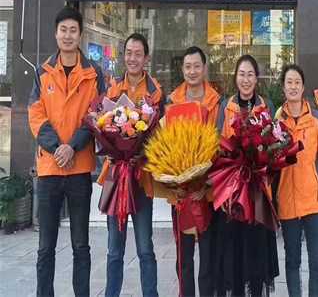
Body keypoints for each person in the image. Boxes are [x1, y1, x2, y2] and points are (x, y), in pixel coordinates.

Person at [28, 6, 105, 297]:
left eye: (73, 30)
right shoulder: (43, 72)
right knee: (45, 247)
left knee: (81, 245)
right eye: (64, 30)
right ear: (56, 33)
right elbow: (35, 115)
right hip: (49, 169)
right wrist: (58, 148)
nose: (68, 35)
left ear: (80, 34)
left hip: (79, 169)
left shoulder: (93, 73)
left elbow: (96, 115)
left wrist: (72, 147)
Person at [96, 33, 163, 297]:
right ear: (123, 56)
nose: (132, 58)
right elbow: (101, 125)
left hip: (141, 177)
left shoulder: (155, 92)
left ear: (146, 58)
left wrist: (143, 154)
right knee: (115, 249)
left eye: (138, 54)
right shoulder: (112, 89)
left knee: (145, 248)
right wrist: (109, 152)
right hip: (116, 178)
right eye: (128, 53)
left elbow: (159, 133)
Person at [214, 54, 279, 297]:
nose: (246, 80)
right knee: (236, 249)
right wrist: (222, 191)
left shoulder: (266, 105)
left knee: (256, 249)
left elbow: (274, 144)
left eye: (250, 74)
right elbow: (218, 148)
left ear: (256, 79)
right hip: (234, 191)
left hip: (259, 190)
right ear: (236, 78)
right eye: (241, 74)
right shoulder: (226, 106)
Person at [166, 46, 222, 297]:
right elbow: (165, 144)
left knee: (208, 258)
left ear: (204, 68)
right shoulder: (172, 102)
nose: (192, 71)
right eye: (187, 67)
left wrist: (206, 183)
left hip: (207, 193)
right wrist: (175, 183)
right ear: (182, 70)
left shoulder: (217, 103)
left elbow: (222, 146)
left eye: (196, 66)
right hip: (180, 194)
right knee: (184, 258)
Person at [276, 64, 318, 297]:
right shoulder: (276, 121)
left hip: (313, 200)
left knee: (317, 261)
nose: (293, 87)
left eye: (297, 82)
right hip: (287, 200)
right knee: (292, 260)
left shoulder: (315, 119)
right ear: (283, 88)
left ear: (303, 87)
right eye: (288, 82)